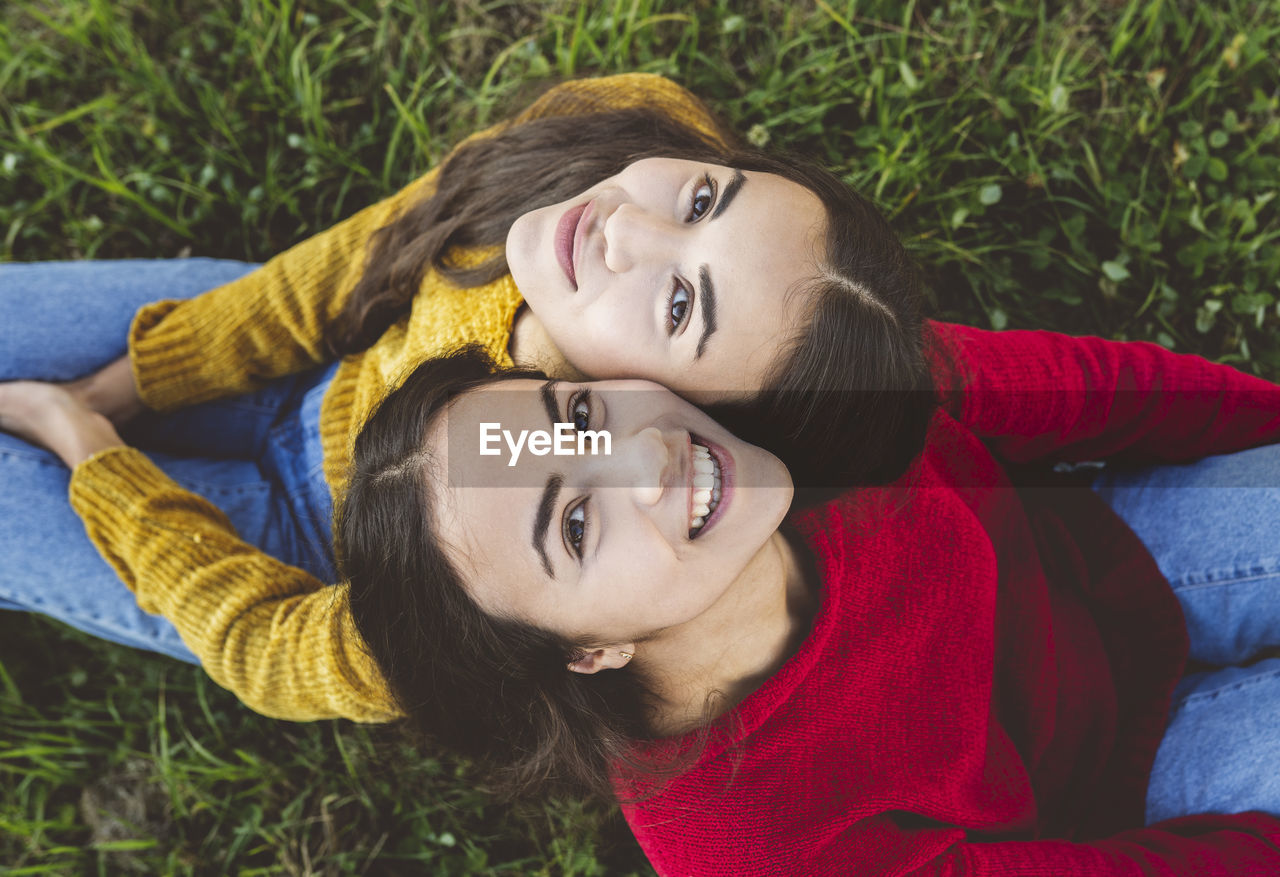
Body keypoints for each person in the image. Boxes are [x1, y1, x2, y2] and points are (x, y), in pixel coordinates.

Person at [0, 73, 934, 721]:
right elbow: (363, 258)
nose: (625, 227)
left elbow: (264, 645)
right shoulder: (633, 133)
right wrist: (126, 379)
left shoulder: (498, 564)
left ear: (690, 411)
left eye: (681, 304)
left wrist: (84, 441)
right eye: (704, 202)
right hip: (309, 368)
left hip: (294, 534)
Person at [338, 331, 1280, 875]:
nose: (649, 454)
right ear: (586, 651)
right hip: (1125, 789)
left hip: (1104, 556)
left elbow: (1057, 386)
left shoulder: (773, 379)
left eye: (579, 417)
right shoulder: (745, 842)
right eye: (579, 526)